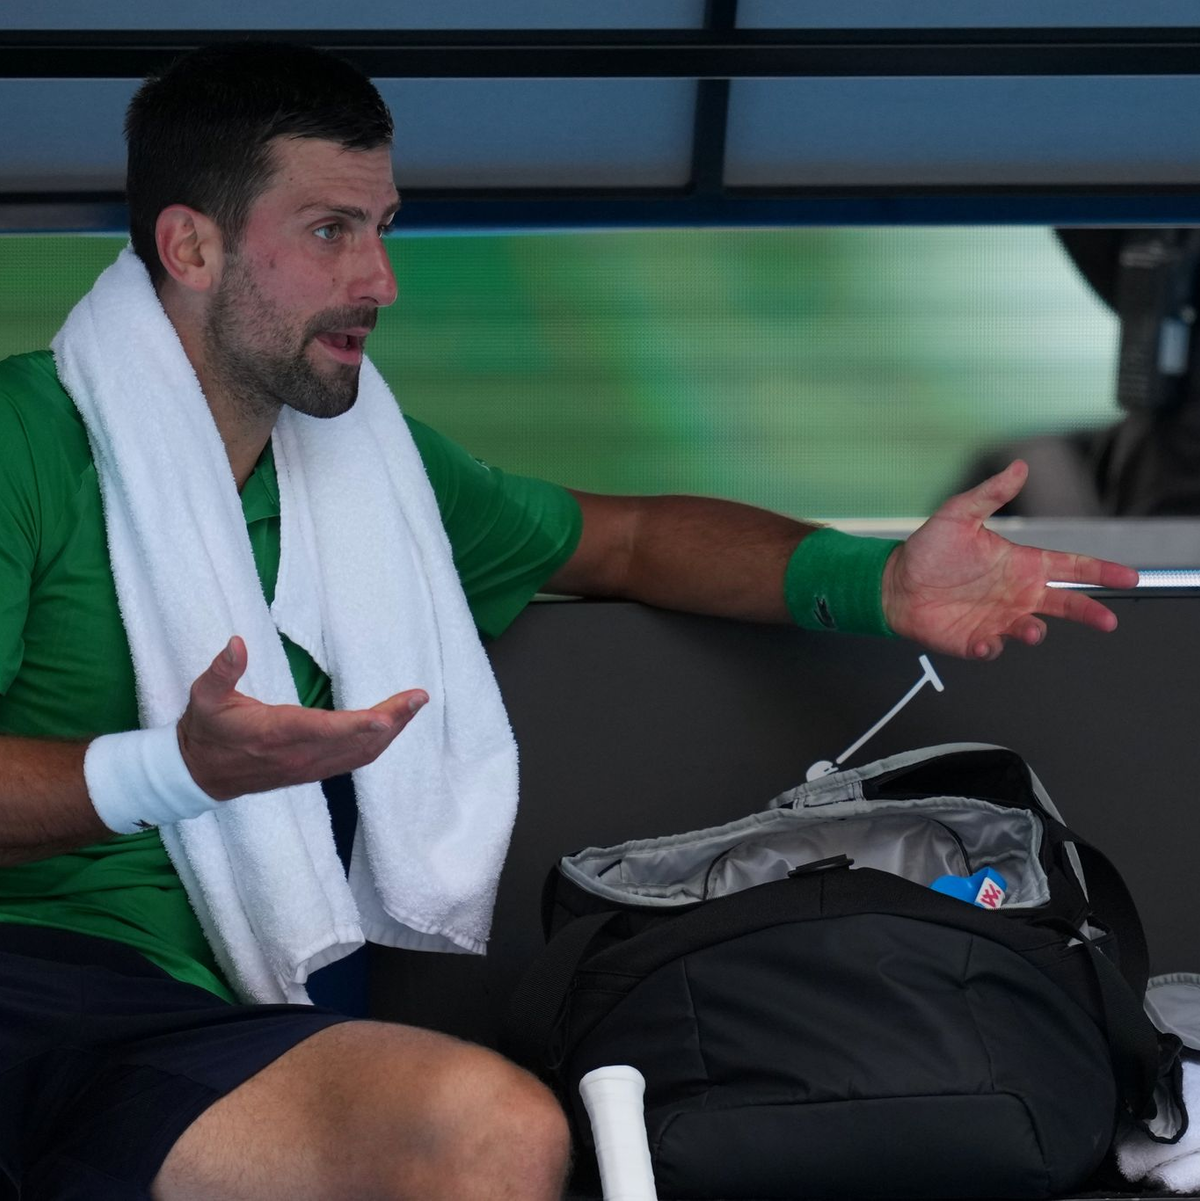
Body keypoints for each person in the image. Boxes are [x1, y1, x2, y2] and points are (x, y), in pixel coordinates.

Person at [0, 40, 1137, 1201]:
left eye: (384, 226)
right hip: (21, 977)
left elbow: (632, 540)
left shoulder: (372, 475)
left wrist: (882, 582)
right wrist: (172, 769)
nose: (382, 279)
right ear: (192, 245)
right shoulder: (22, 443)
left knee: (496, 1131)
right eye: (331, 230)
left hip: (180, 1030)